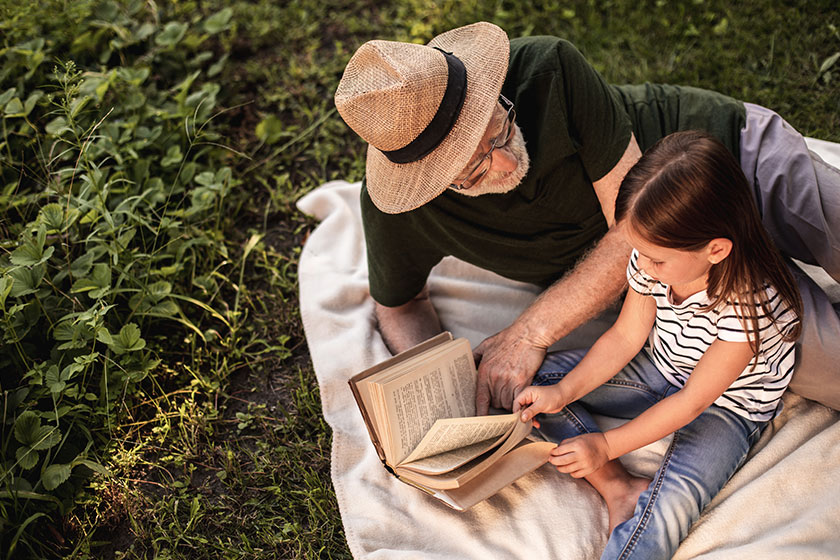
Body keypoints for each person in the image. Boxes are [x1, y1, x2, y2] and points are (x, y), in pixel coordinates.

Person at [333, 22, 840, 413]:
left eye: (500, 126)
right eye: (475, 168)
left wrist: (530, 332)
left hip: (722, 154)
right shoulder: (397, 212)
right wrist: (451, 389)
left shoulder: (547, 67)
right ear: (429, 184)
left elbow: (631, 231)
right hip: (670, 273)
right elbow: (401, 306)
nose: (507, 161)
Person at [513, 130, 802, 559]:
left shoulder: (749, 305)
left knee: (667, 510)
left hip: (724, 409)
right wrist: (563, 392)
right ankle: (618, 487)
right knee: (532, 386)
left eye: (656, 259)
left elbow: (692, 403)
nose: (642, 265)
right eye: (637, 251)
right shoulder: (652, 260)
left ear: (716, 249)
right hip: (660, 368)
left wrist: (607, 445)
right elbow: (627, 336)